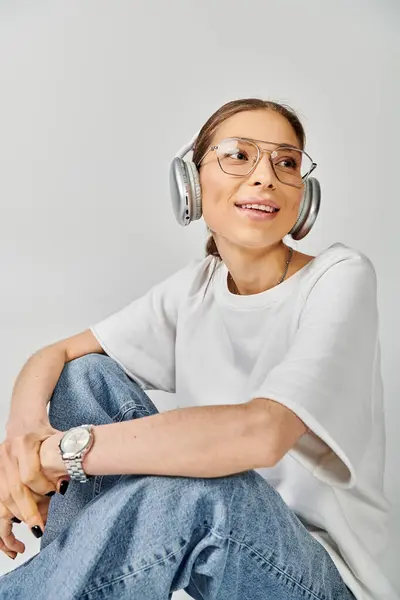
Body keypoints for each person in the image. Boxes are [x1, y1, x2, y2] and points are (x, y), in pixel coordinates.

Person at [0, 98, 397, 600]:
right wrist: (21, 446)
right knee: (86, 375)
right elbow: (53, 357)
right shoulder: (194, 288)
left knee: (200, 491)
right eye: (238, 155)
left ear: (304, 195)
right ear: (190, 184)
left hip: (322, 582)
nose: (265, 177)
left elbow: (263, 434)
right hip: (223, 558)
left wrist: (60, 453)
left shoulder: (340, 276)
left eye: (286, 162)